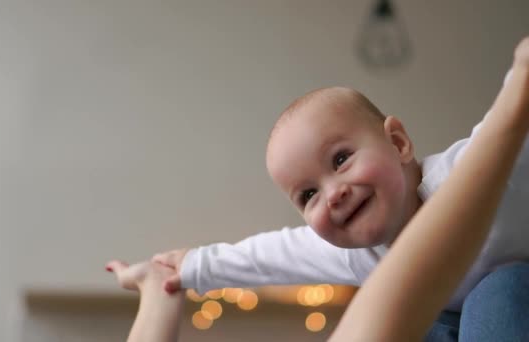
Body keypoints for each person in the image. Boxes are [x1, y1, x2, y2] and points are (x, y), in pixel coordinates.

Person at [110, 37, 529, 341]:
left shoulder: (471, 171)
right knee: (422, 326)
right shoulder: (349, 253)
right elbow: (264, 258)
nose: (333, 193)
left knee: (496, 293)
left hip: (514, 298)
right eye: (307, 195)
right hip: (456, 324)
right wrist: (188, 268)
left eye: (341, 159)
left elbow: (508, 124)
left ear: (399, 143)